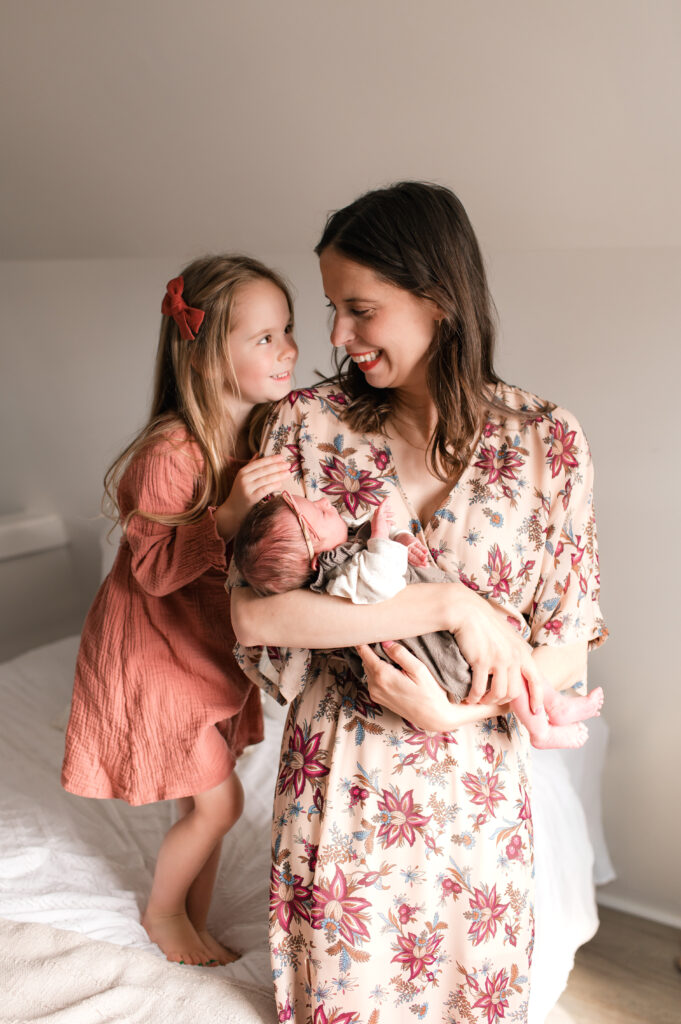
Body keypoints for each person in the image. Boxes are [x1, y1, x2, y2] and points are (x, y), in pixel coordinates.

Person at [229, 183, 607, 1022]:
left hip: (477, 799)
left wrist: (453, 716)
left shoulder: (548, 442)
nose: (334, 336)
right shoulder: (304, 426)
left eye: (359, 309)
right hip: (342, 788)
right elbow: (256, 616)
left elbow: (566, 645)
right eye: (330, 308)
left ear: (437, 299)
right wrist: (444, 606)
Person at [61, 254, 297, 967]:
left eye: (288, 331)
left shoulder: (256, 440)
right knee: (218, 804)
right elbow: (157, 568)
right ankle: (164, 915)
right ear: (205, 354)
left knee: (206, 800)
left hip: (201, 647)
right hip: (151, 650)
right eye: (263, 338)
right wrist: (226, 514)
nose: (287, 349)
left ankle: (193, 922)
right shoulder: (170, 451)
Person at [234, 492, 604, 749]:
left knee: (511, 663)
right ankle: (541, 726)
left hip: (452, 669)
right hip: (434, 654)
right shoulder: (335, 575)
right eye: (314, 513)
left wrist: (402, 538)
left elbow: (569, 642)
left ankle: (553, 706)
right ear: (313, 556)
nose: (321, 502)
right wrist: (382, 537)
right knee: (498, 674)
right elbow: (380, 576)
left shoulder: (344, 548)